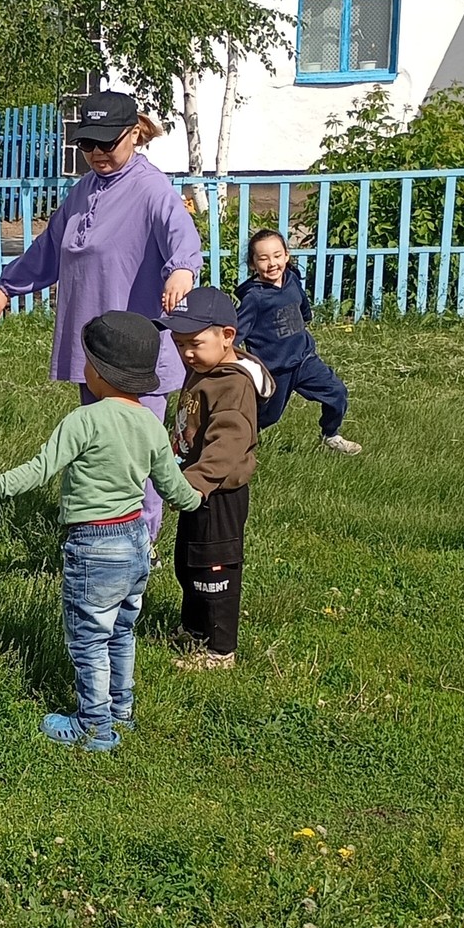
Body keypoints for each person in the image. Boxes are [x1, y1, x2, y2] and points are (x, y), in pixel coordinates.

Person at [0, 313, 201, 751]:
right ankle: (121, 711)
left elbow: (39, 470)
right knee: (122, 630)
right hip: (137, 542)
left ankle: (94, 727)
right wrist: (199, 501)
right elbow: (173, 488)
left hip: (95, 546)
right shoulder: (150, 423)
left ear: (100, 371)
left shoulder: (84, 420)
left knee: (89, 640)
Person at [0, 91, 202, 540]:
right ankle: (97, 527)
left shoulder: (151, 188)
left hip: (136, 351)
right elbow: (49, 249)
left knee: (139, 451)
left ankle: (143, 539)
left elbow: (181, 233)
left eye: (107, 143)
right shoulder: (83, 190)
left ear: (134, 134)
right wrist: (7, 287)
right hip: (95, 346)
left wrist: (182, 269)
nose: (97, 153)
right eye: (87, 144)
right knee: (98, 446)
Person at [161, 287, 274, 671]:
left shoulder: (233, 384)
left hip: (218, 491)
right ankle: (195, 629)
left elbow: (228, 442)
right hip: (195, 487)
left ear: (227, 336)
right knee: (188, 563)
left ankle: (220, 649)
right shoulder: (204, 371)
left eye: (194, 343)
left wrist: (195, 482)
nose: (186, 353)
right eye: (179, 344)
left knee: (215, 570)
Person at [236, 228, 362, 454]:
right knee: (268, 416)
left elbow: (303, 308)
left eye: (277, 255)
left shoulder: (292, 279)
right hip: (275, 370)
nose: (272, 263)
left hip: (305, 360)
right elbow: (236, 333)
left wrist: (304, 319)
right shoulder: (254, 297)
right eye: (263, 258)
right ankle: (234, 441)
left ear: (286, 255)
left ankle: (330, 435)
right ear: (253, 264)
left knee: (336, 392)